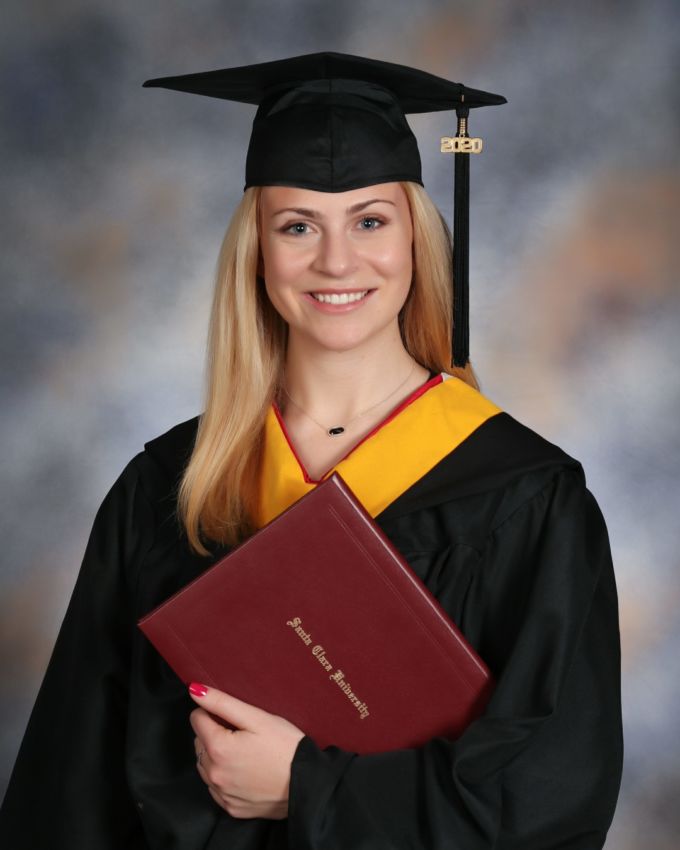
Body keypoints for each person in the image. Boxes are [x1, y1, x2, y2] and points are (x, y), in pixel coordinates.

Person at [0, 52, 623, 849]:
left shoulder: (527, 500)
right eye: (298, 226)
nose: (337, 262)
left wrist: (307, 785)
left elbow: (548, 801)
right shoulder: (166, 490)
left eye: (370, 220)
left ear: (416, 239)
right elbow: (72, 786)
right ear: (256, 251)